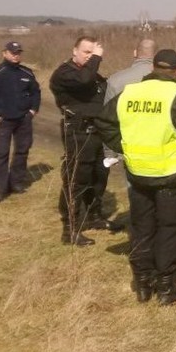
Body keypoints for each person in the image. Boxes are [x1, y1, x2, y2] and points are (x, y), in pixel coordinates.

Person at [96, 49, 176, 306]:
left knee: (141, 229)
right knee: (170, 230)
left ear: (152, 67)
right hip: (171, 175)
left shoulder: (130, 93)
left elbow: (103, 122)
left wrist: (124, 146)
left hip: (138, 173)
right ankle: (165, 287)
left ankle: (142, 283)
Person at [106, 39, 176, 242]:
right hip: (170, 160)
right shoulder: (175, 88)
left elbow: (107, 122)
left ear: (135, 52)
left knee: (141, 202)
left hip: (134, 157)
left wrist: (116, 150)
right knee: (175, 206)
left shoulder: (117, 81)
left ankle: (144, 239)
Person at [50, 36, 116, 246]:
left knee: (99, 177)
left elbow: (105, 94)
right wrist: (97, 57)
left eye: (92, 52)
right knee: (76, 179)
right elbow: (83, 81)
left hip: (98, 133)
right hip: (78, 133)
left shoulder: (94, 76)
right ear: (74, 51)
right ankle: (70, 229)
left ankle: (94, 216)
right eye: (86, 52)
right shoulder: (65, 73)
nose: (90, 56)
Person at [0, 41, 41, 203]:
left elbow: (36, 92)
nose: (16, 55)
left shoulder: (27, 73)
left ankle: (16, 182)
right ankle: (0, 189)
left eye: (18, 52)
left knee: (22, 151)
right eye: (13, 52)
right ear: (4, 53)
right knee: (1, 154)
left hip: (23, 119)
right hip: (4, 120)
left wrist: (33, 110)